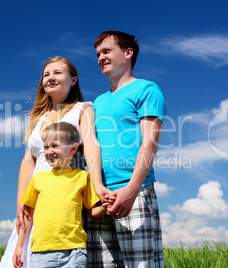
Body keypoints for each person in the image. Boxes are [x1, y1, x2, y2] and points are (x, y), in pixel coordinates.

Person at [0, 56, 104, 268]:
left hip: (65, 193)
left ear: (73, 80)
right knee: (23, 254)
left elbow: (91, 144)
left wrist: (98, 185)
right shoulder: (38, 117)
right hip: (38, 192)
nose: (50, 78)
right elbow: (28, 159)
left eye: (57, 73)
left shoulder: (83, 109)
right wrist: (21, 201)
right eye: (46, 74)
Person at [87, 31, 167, 267]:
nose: (101, 57)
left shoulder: (147, 90)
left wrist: (131, 190)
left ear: (128, 53)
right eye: (98, 54)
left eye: (107, 51)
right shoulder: (98, 102)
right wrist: (97, 190)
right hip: (100, 198)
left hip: (135, 192)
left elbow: (149, 143)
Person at [13, 122, 108, 268]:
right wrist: (19, 246)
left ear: (73, 149)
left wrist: (106, 206)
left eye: (55, 145)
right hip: (41, 252)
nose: (49, 151)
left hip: (74, 252)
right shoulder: (38, 179)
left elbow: (93, 211)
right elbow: (28, 216)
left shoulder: (82, 177)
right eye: (46, 147)